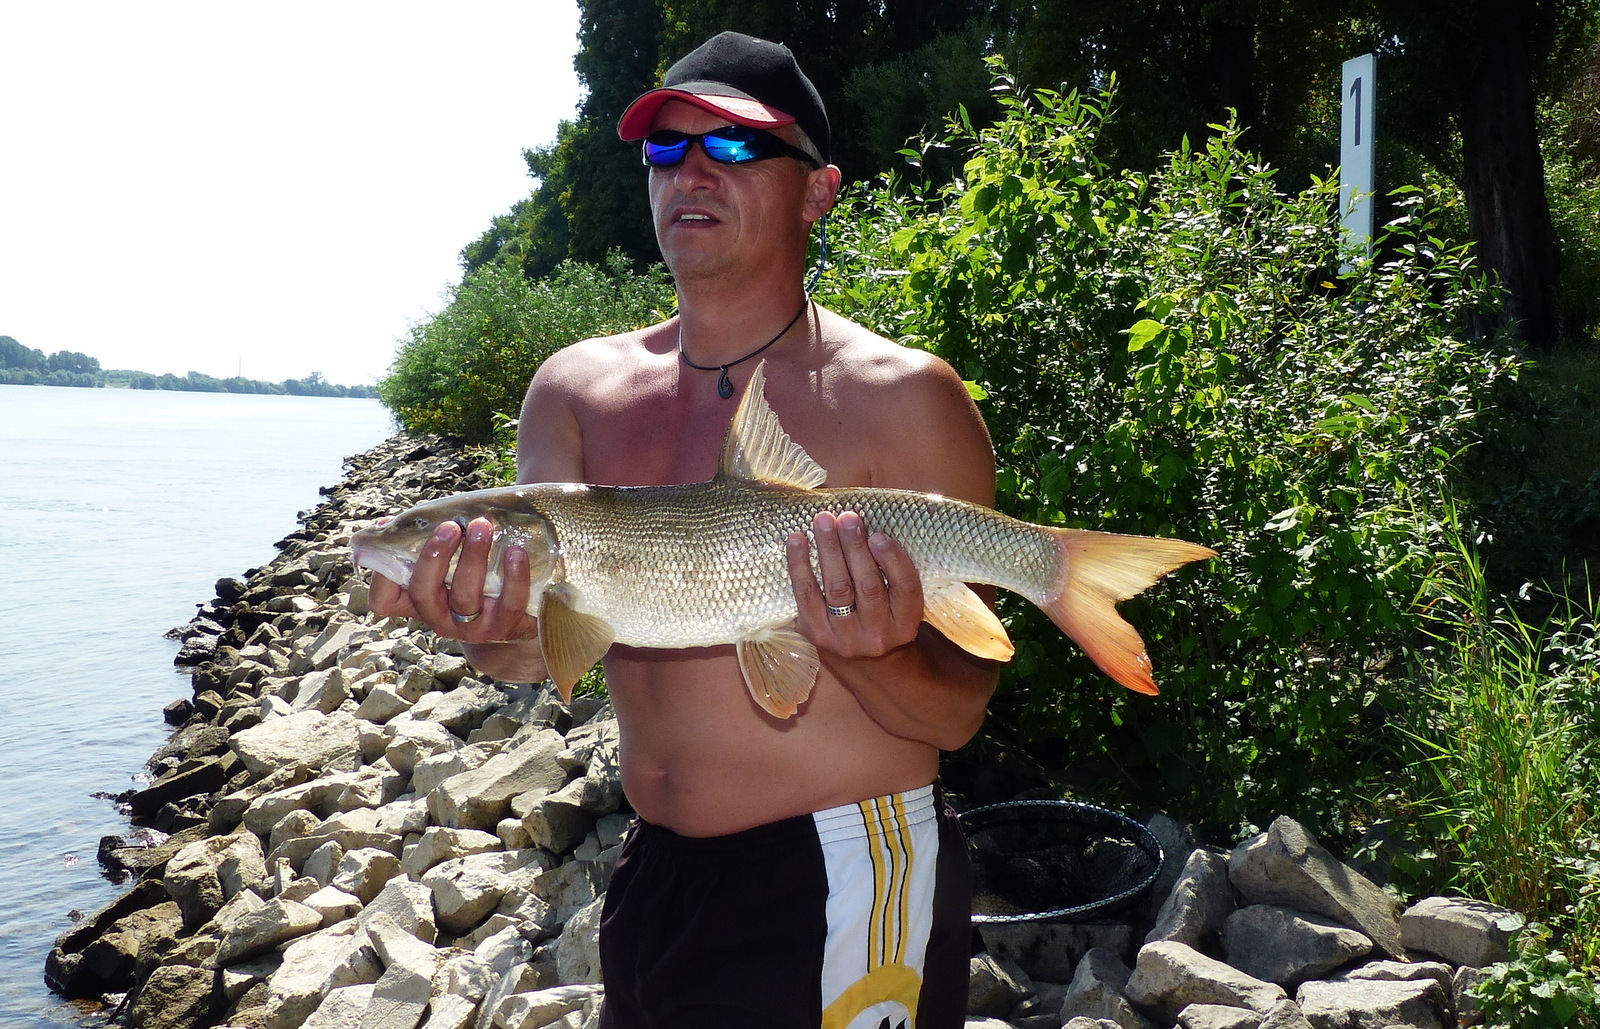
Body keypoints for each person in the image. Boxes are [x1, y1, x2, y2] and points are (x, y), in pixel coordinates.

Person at [370, 30, 998, 1029]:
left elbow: (958, 713)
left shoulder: (906, 399)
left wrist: (870, 655)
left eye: (737, 147)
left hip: (849, 867)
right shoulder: (572, 392)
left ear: (818, 190)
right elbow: (545, 649)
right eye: (667, 151)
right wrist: (481, 623)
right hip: (651, 871)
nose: (692, 171)